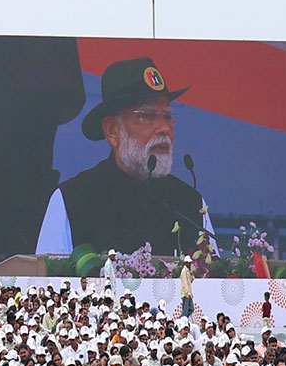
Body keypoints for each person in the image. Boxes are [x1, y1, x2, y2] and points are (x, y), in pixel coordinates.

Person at [35, 56, 208, 256]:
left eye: (167, 116)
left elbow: (213, 280)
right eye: (148, 116)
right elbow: (47, 282)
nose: (165, 129)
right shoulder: (72, 200)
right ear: (112, 130)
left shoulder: (191, 203)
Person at [179, 256, 195, 321]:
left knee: (191, 308)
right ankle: (182, 320)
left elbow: (189, 281)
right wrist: (188, 293)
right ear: (185, 263)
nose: (190, 264)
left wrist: (192, 276)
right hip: (185, 294)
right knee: (185, 310)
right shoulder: (183, 272)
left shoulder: (188, 271)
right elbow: (185, 283)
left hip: (188, 293)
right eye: (189, 262)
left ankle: (182, 319)